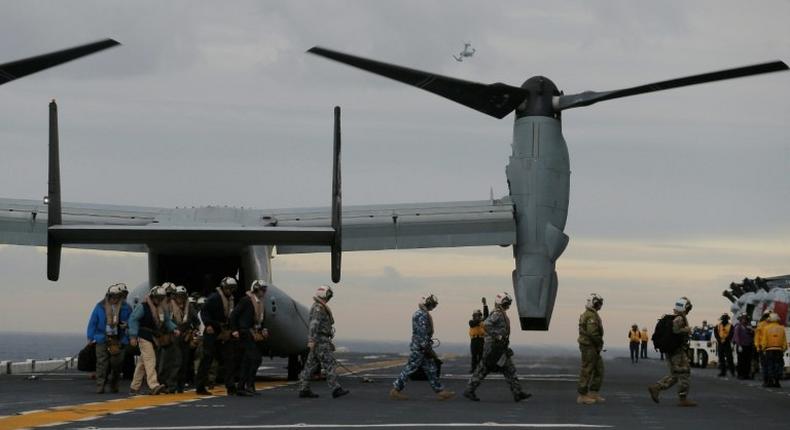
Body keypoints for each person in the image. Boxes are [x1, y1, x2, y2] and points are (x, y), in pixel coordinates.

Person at [463, 292, 530, 403]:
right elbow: (485, 325)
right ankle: (469, 390)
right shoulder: (497, 314)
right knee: (484, 369)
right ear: (500, 303)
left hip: (499, 347)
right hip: (493, 347)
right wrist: (497, 336)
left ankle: (517, 392)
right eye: (506, 303)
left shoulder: (500, 313)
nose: (507, 306)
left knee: (508, 369)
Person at [390, 294, 454, 401]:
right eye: (432, 304)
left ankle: (441, 391)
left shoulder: (422, 313)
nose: (433, 306)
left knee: (431, 369)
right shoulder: (421, 315)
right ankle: (395, 390)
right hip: (420, 348)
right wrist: (426, 348)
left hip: (422, 346)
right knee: (410, 369)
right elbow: (422, 332)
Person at [298, 285, 349, 399]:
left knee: (310, 365)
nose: (328, 298)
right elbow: (314, 324)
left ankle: (304, 389)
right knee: (329, 364)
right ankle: (336, 388)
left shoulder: (319, 306)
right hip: (320, 341)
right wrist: (311, 339)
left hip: (319, 340)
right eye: (328, 295)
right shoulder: (318, 308)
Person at [129, 286, 178, 395]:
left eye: (161, 298)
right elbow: (133, 319)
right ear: (152, 296)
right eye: (157, 297)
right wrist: (133, 336)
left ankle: (134, 387)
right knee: (151, 359)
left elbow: (166, 321)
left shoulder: (161, 308)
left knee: (142, 363)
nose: (159, 300)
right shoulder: (143, 307)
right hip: (144, 336)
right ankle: (153, 385)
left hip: (153, 337)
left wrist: (174, 329)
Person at [648, 297, 696, 407]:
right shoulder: (679, 319)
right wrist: (687, 330)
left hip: (671, 351)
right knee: (684, 372)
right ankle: (682, 398)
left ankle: (657, 388)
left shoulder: (670, 317)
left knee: (675, 375)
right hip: (677, 352)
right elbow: (676, 330)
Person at [195, 277, 239, 395]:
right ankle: (200, 386)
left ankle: (230, 386)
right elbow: (204, 312)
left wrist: (232, 330)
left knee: (229, 358)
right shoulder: (214, 298)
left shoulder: (231, 300)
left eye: (232, 288)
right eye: (228, 288)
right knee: (207, 358)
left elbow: (231, 316)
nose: (230, 290)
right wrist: (208, 324)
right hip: (212, 331)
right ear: (223, 287)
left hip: (223, 331)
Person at [87, 284, 131, 393]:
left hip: (118, 339)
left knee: (117, 363)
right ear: (108, 296)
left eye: (117, 297)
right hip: (102, 337)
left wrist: (127, 325)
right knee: (102, 363)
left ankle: (114, 382)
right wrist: (90, 337)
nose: (115, 299)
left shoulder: (126, 307)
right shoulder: (100, 306)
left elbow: (133, 320)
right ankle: (100, 385)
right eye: (113, 296)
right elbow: (93, 322)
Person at [231, 280, 270, 396]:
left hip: (253, 333)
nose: (264, 292)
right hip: (246, 333)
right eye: (262, 289)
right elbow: (234, 315)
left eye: (264, 289)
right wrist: (234, 330)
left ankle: (246, 386)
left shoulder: (259, 303)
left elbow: (260, 320)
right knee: (255, 358)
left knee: (248, 360)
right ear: (256, 289)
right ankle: (246, 385)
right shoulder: (246, 301)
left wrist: (263, 329)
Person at [162, 285, 199, 393]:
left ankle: (180, 385)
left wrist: (192, 332)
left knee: (184, 362)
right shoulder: (169, 307)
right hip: (173, 337)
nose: (180, 298)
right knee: (176, 361)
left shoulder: (190, 307)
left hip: (185, 338)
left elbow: (196, 322)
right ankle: (171, 385)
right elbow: (165, 322)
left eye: (182, 296)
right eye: (178, 296)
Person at [576, 293, 605, 405]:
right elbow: (592, 333)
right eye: (598, 303)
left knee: (599, 369)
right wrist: (599, 343)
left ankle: (593, 393)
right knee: (587, 369)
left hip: (593, 346)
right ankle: (582, 395)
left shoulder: (591, 314)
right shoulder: (590, 316)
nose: (600, 306)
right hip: (589, 346)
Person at [759, 312, 787, 388]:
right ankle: (777, 382)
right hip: (779, 350)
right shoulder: (782, 328)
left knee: (770, 365)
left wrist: (763, 349)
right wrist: (783, 349)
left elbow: (764, 341)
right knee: (778, 365)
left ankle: (770, 381)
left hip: (769, 350)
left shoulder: (766, 328)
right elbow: (784, 341)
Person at [468, 297, 489, 373]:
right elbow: (473, 324)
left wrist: (485, 305)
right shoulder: (471, 322)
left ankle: (480, 369)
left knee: (481, 356)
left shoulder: (482, 322)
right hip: (474, 340)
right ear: (474, 316)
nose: (478, 316)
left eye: (479, 315)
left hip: (481, 340)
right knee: (474, 356)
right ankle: (473, 368)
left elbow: (486, 316)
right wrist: (481, 319)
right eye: (477, 315)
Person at [732, 313, 755, 380]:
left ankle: (746, 374)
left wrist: (752, 331)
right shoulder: (738, 327)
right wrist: (739, 345)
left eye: (745, 319)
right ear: (740, 320)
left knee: (747, 361)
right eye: (743, 319)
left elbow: (752, 336)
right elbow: (736, 337)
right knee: (741, 361)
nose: (744, 320)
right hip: (741, 346)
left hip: (748, 346)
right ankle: (740, 374)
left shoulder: (749, 327)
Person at [754, 310, 771, 386]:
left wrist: (757, 347)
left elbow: (757, 337)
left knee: (765, 365)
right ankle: (771, 380)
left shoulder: (760, 324)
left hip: (763, 347)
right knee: (770, 364)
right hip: (771, 347)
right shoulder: (774, 325)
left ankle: (766, 380)